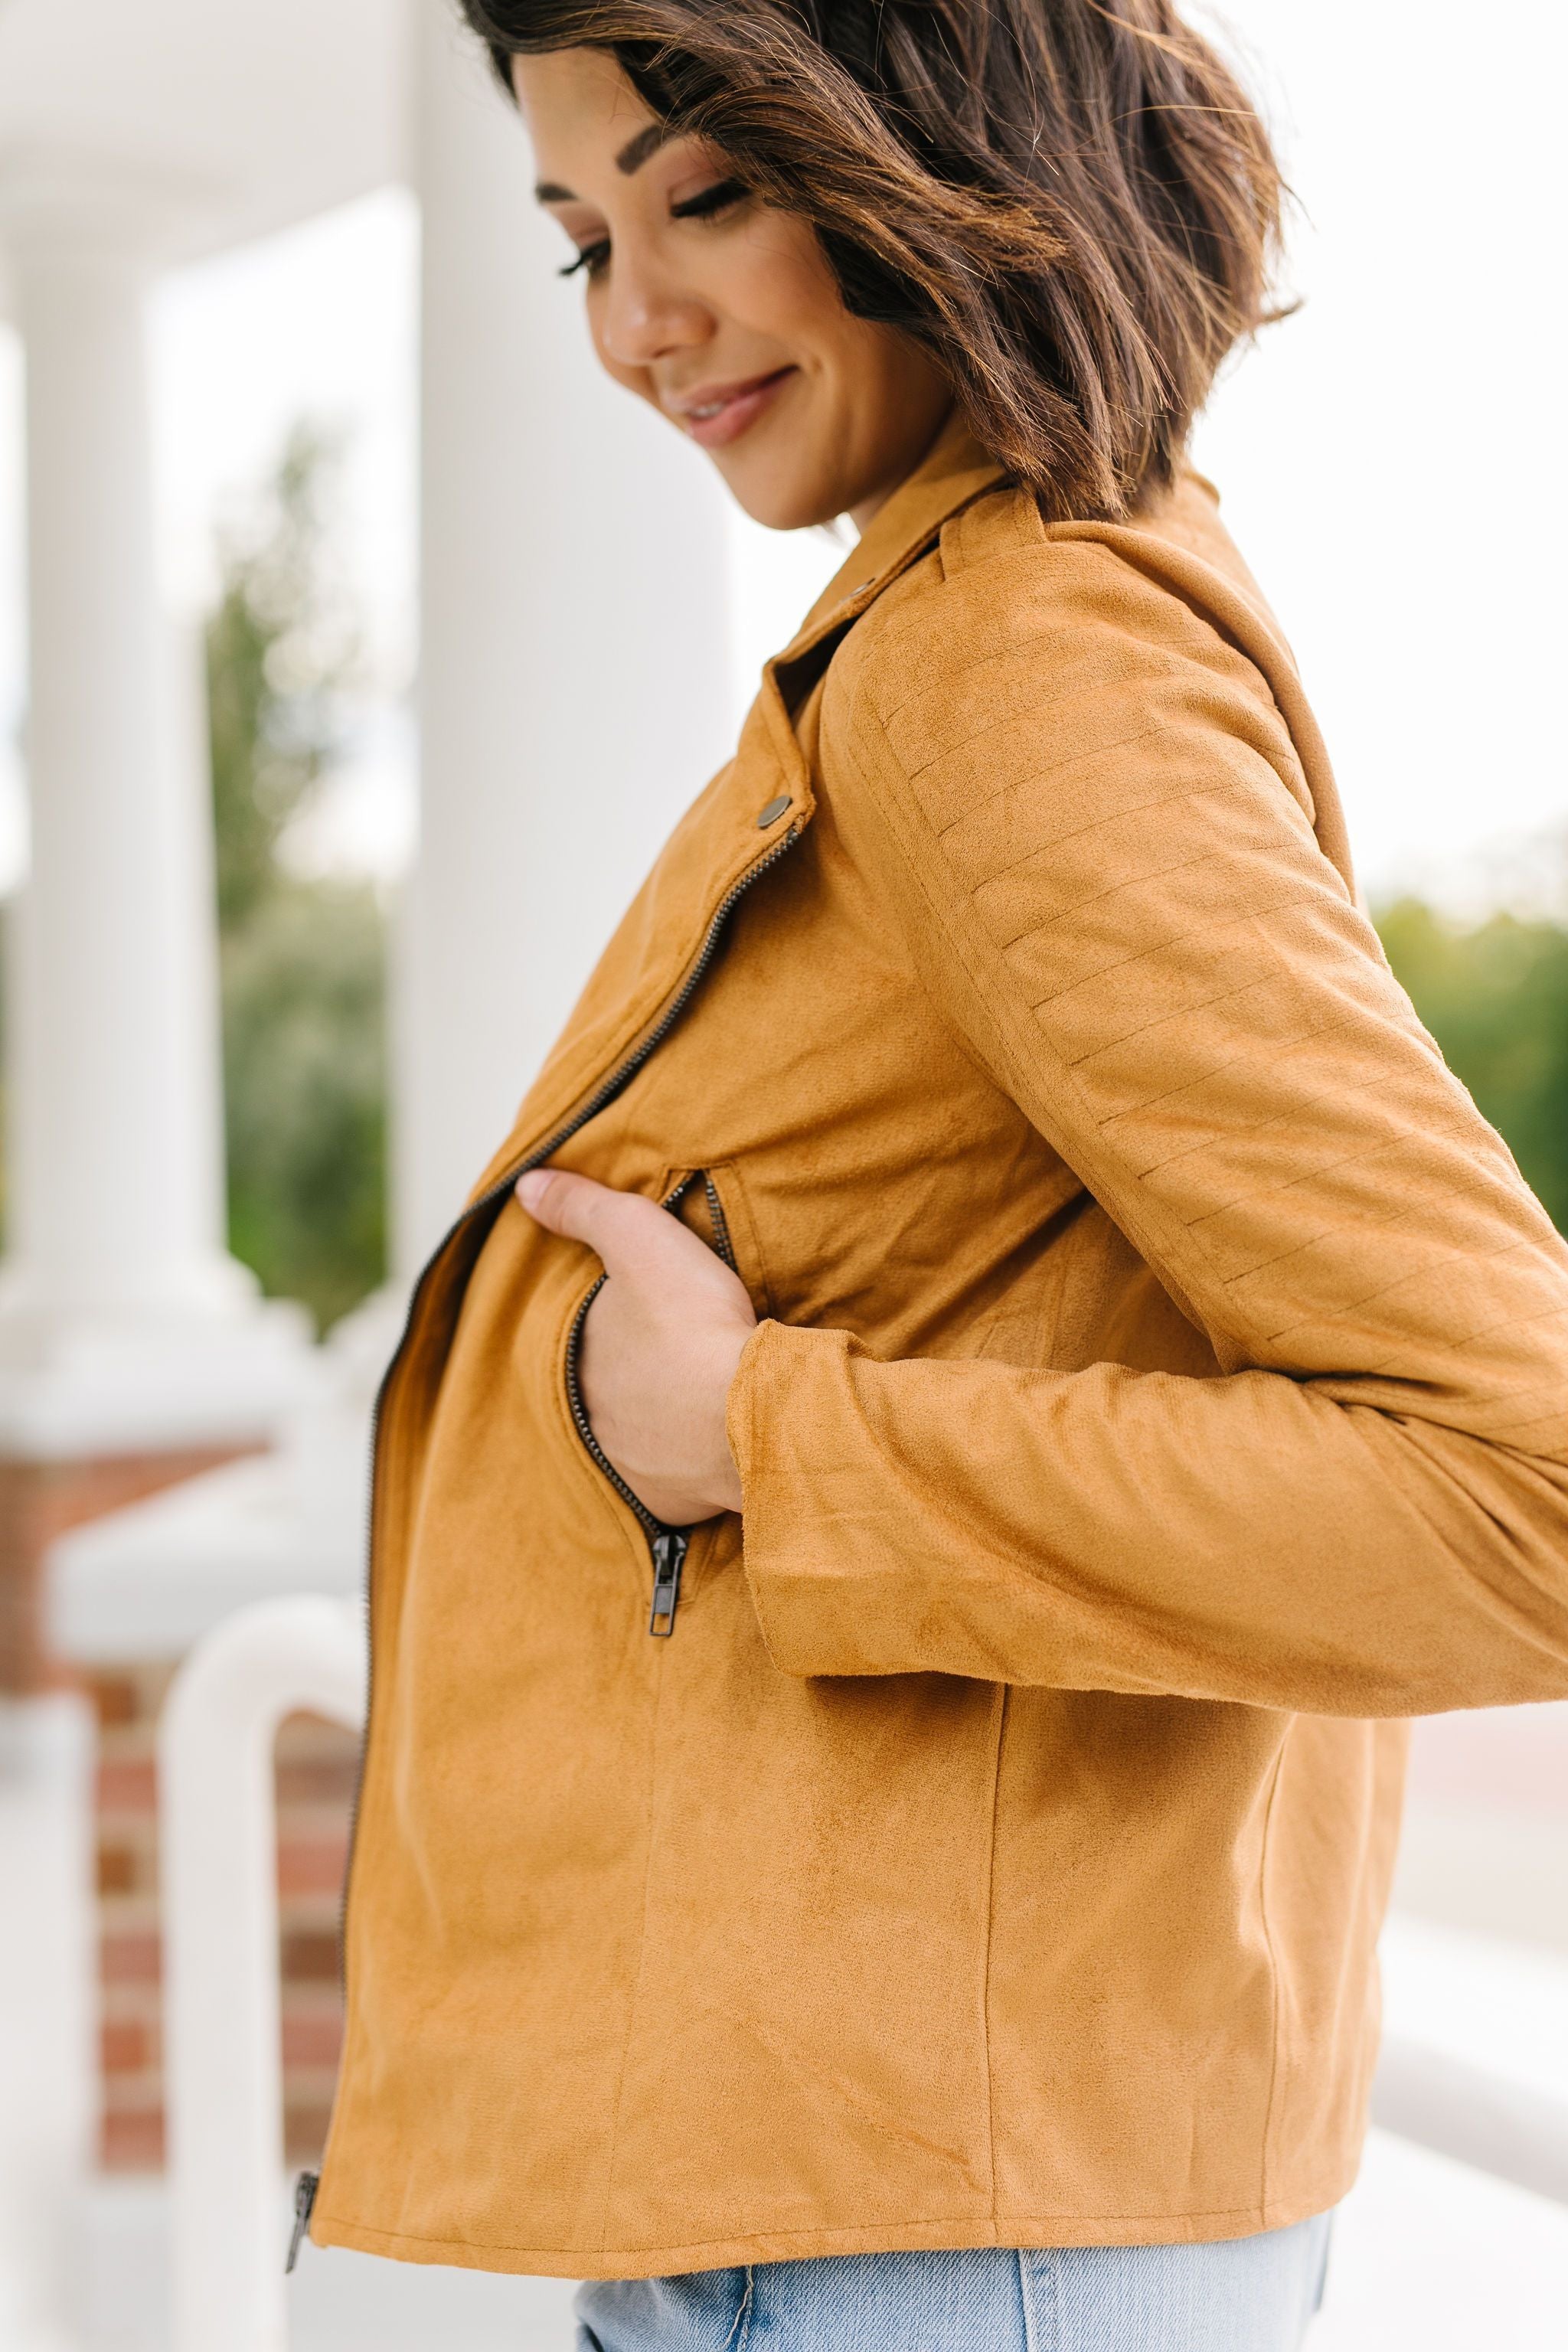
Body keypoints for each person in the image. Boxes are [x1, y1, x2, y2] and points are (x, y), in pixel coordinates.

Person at [301, 2, 1568, 2344]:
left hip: (945, 2239)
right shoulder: (967, 609)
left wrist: (765, 1439)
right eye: (579, 242)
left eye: (703, 198)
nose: (629, 323)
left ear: (933, 146)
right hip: (877, 2182)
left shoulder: (1021, 661)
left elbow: (1525, 1484)